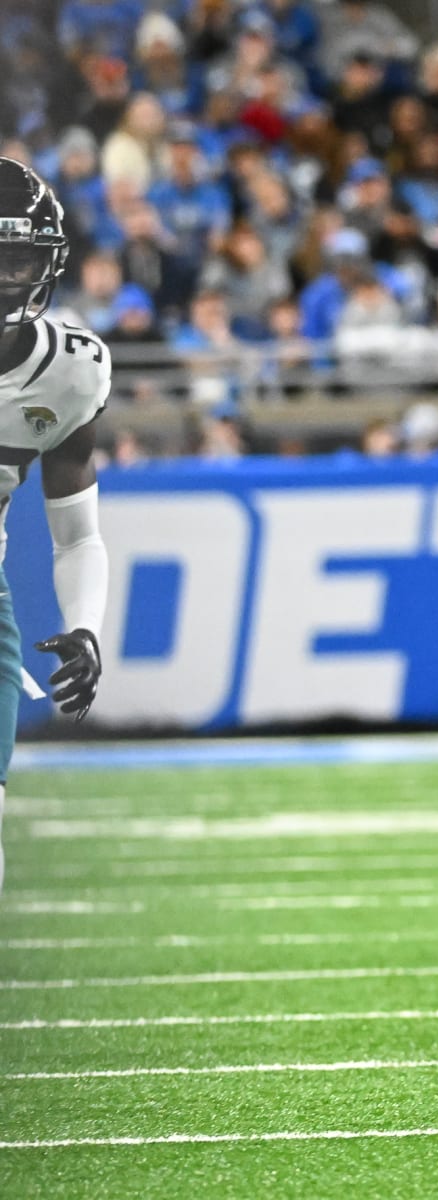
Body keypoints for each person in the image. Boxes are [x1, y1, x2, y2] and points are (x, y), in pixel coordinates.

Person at [0, 159, 112, 889]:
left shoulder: (68, 372)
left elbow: (77, 532)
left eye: (16, 257)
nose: (5, 276)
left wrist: (86, 624)